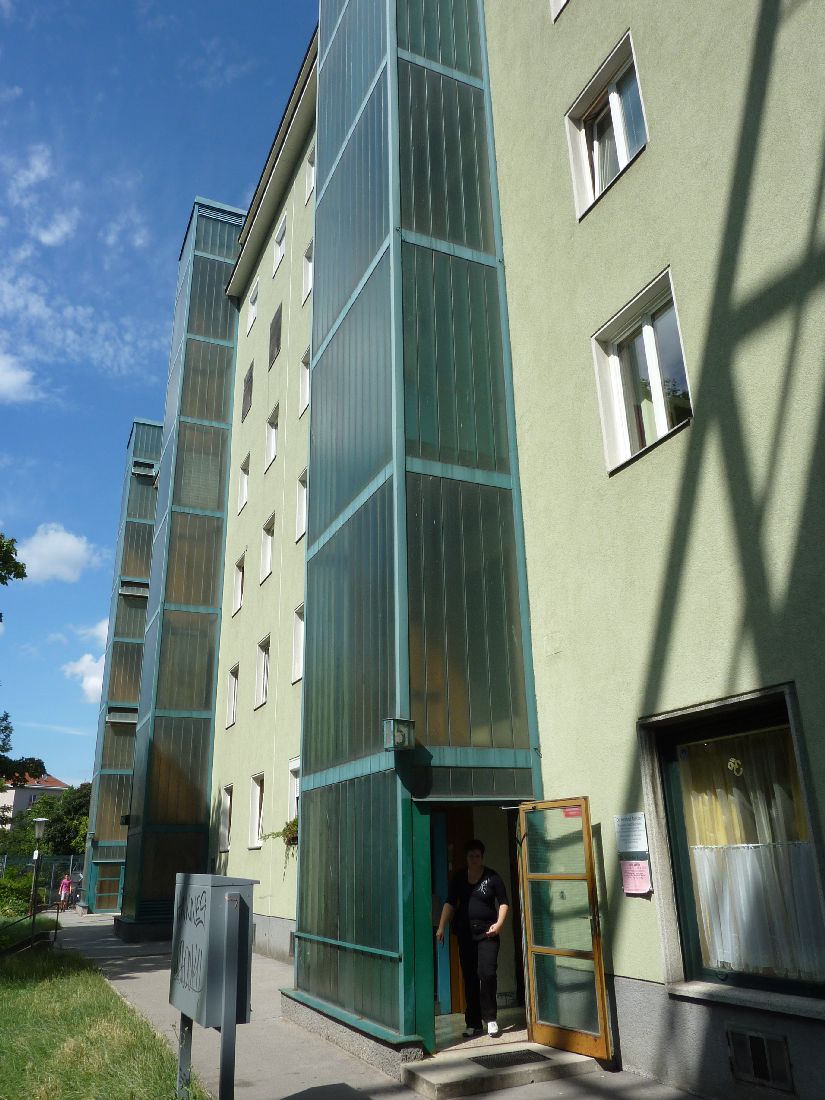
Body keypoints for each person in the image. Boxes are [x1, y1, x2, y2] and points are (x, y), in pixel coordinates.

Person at [435, 839, 509, 1038]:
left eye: (477, 856)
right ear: (466, 858)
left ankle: (490, 1019)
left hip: (488, 934)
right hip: (466, 935)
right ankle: (473, 1023)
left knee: (487, 973)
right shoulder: (459, 877)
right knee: (470, 978)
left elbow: (503, 902)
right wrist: (441, 926)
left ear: (482, 857)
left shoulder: (492, 877)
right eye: (471, 856)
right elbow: (450, 902)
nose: (474, 859)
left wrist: (499, 924)